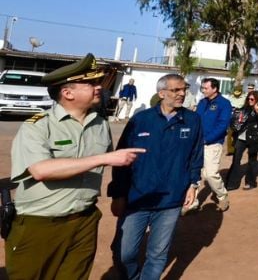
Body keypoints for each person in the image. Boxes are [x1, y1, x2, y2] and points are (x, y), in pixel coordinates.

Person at [5, 53, 144, 279]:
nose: (98, 87)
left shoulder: (100, 124)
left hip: (84, 220)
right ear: (67, 93)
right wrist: (103, 159)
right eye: (90, 83)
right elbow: (41, 170)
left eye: (98, 82)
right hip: (40, 224)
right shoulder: (38, 126)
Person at [108, 74, 203, 280]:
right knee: (125, 253)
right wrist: (118, 194)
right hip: (138, 197)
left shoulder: (192, 120)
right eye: (175, 90)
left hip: (170, 199)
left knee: (157, 254)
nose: (182, 94)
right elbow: (122, 159)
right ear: (161, 93)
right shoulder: (141, 120)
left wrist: (193, 184)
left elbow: (196, 156)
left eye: (183, 89)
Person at [185, 77, 231, 213]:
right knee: (195, 172)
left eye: (205, 88)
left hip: (213, 144)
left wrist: (207, 139)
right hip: (196, 143)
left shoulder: (224, 104)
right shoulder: (202, 102)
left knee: (210, 174)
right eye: (202, 88)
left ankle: (222, 196)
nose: (203, 90)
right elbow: (195, 120)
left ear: (214, 89)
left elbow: (222, 125)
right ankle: (193, 202)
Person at [226, 90, 258, 190]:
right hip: (241, 138)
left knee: (252, 161)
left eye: (252, 99)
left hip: (254, 139)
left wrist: (257, 112)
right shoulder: (244, 109)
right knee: (236, 160)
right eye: (248, 98)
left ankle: (250, 182)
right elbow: (238, 120)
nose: (250, 100)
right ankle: (231, 183)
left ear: (257, 99)